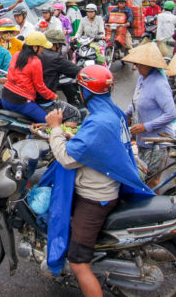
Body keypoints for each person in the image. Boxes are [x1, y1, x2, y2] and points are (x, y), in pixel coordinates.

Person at [41, 64, 151, 290]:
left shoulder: (99, 122)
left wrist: (55, 128)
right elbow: (94, 144)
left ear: (86, 92)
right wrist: (72, 135)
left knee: (79, 263)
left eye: (81, 89)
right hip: (107, 185)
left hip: (95, 197)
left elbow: (67, 158)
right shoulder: (112, 112)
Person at [122, 43, 175, 185]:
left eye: (140, 64)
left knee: (151, 181)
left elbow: (171, 114)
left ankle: (156, 206)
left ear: (150, 65)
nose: (137, 66)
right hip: (143, 140)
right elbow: (134, 103)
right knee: (143, 178)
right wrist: (123, 115)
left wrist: (146, 126)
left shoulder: (159, 84)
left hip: (158, 141)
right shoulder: (142, 79)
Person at [0, 32, 57, 123]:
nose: (42, 50)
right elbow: (40, 87)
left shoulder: (16, 54)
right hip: (20, 102)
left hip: (5, 98)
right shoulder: (36, 61)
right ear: (35, 47)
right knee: (48, 123)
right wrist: (53, 96)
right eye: (42, 47)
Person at [42, 29, 81, 105]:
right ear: (56, 45)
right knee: (75, 113)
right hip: (45, 100)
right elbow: (75, 70)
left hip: (31, 97)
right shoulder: (56, 58)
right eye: (60, 45)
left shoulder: (37, 53)